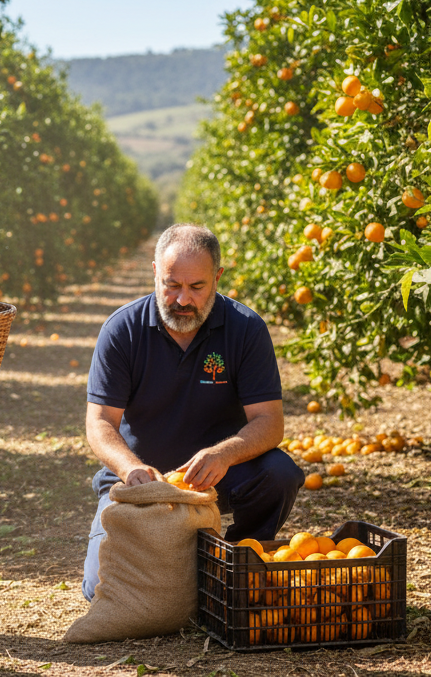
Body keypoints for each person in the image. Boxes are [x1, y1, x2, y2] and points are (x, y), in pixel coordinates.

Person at [81, 223, 303, 601]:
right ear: (154, 271)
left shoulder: (245, 329)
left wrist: (223, 453)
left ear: (217, 277)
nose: (182, 300)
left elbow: (269, 422)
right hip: (140, 483)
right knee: (98, 588)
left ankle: (236, 562)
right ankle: (183, 565)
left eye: (196, 287)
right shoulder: (123, 330)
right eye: (172, 285)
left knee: (279, 474)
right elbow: (100, 422)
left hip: (216, 478)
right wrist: (130, 468)